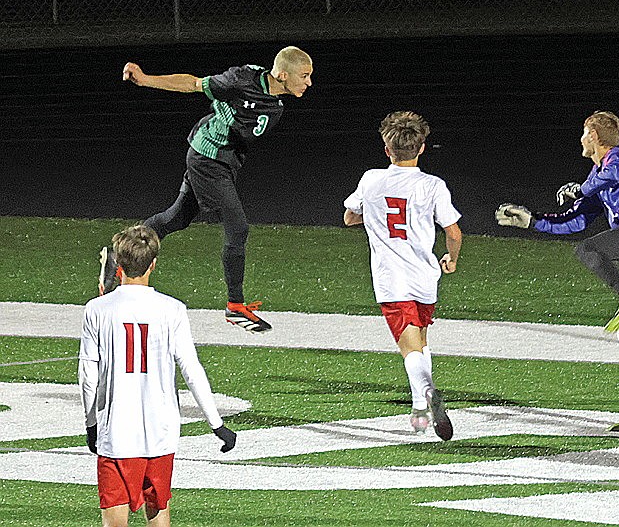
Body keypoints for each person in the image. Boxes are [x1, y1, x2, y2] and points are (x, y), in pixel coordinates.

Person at [100, 46, 315, 333]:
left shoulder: (275, 106)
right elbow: (193, 83)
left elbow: (240, 131)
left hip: (221, 161)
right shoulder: (242, 79)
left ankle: (118, 254)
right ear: (283, 74)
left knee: (176, 218)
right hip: (207, 158)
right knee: (237, 227)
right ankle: (235, 306)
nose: (309, 83)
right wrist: (146, 78)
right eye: (305, 75)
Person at [495, 110, 619, 432]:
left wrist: (582, 189)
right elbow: (575, 220)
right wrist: (533, 221)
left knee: (589, 249)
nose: (581, 139)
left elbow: (606, 178)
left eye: (584, 133)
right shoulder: (598, 179)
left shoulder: (617, 159)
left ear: (594, 136)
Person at [80, 226, 237, 527]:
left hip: (118, 434)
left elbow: (88, 376)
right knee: (159, 515)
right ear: (153, 264)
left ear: (118, 263)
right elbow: (192, 369)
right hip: (161, 433)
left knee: (115, 519)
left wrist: (91, 425)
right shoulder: (172, 309)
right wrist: (216, 424)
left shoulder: (97, 310)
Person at [343, 111, 461, 441]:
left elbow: (350, 216)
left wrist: (372, 214)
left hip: (391, 278)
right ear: (422, 148)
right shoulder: (433, 185)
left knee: (409, 347)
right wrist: (451, 258)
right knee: (420, 342)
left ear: (386, 149)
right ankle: (419, 409)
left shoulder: (371, 179)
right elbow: (453, 231)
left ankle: (428, 394)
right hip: (425, 277)